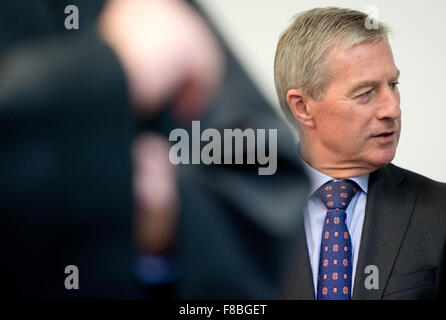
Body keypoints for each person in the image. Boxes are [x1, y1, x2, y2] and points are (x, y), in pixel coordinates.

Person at [274, 7, 446, 299]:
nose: (393, 109)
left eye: (393, 85)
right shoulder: (236, 215)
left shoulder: (440, 212)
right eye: (365, 93)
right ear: (302, 107)